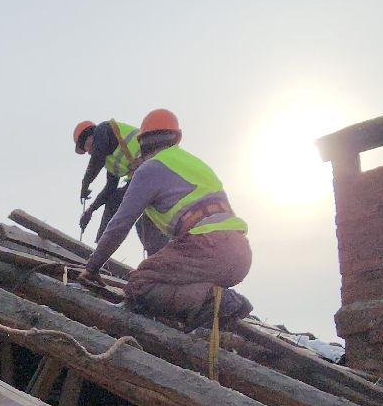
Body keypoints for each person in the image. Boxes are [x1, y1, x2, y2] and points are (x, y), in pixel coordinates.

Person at [80, 109, 253, 330]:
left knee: (139, 285)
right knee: (167, 280)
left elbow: (120, 223)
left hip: (208, 247)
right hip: (238, 253)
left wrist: (92, 268)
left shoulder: (149, 170)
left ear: (142, 143)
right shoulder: (190, 164)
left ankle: (218, 302)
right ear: (176, 137)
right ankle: (208, 310)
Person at [73, 118, 147, 240]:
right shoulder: (110, 160)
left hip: (156, 164)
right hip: (143, 177)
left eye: (87, 147)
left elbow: (97, 158)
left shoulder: (104, 129)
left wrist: (85, 184)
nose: (89, 153)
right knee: (114, 200)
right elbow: (110, 188)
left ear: (90, 134)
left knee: (121, 202)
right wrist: (91, 210)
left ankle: (100, 249)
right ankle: (100, 244)